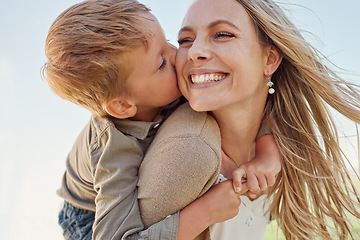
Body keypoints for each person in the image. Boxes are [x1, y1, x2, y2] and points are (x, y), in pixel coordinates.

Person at [41, 0, 281, 239]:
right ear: (123, 105)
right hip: (87, 217)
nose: (178, 57)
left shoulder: (155, 90)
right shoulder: (114, 148)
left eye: (170, 43)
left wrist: (267, 153)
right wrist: (204, 213)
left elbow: (252, 104)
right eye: (162, 63)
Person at [137, 0, 360, 239]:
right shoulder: (188, 153)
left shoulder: (275, 147)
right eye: (185, 40)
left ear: (270, 59)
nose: (193, 52)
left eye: (222, 34)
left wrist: (271, 150)